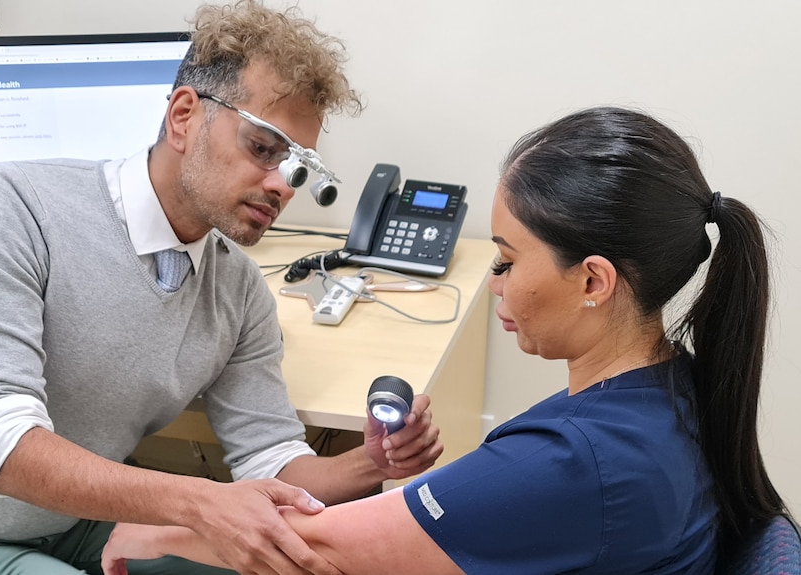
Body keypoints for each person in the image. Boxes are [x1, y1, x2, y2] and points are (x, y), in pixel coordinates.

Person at [99, 106, 793, 575]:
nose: (493, 281)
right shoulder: (676, 386)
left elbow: (310, 548)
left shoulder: (573, 463)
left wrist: (158, 528)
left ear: (594, 280)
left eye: (507, 259)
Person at [0, 2, 444, 574]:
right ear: (183, 116)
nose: (282, 186)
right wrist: (201, 502)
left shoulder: (238, 287)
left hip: (80, 522)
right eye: (263, 148)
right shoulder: (12, 207)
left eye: (299, 167)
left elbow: (271, 460)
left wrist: (370, 464)